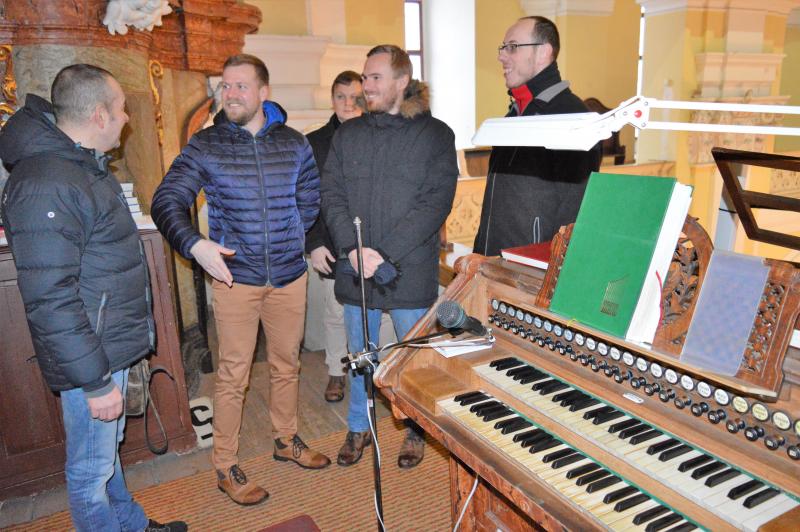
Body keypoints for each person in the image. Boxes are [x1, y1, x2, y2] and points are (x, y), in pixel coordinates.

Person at [0, 64, 186, 532]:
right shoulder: (49, 181)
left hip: (104, 348)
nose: (126, 119)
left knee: (106, 455)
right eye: (121, 109)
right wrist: (95, 381)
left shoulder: (80, 166)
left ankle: (132, 525)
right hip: (91, 356)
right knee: (89, 473)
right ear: (99, 114)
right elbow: (50, 298)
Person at [151, 53, 330, 507]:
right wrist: (195, 244)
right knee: (233, 376)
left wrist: (291, 236)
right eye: (225, 86)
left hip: (289, 277)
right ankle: (225, 465)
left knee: (287, 365)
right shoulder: (206, 145)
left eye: (240, 86)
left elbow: (309, 200)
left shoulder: (294, 143)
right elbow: (167, 199)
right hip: (236, 280)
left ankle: (286, 439)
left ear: (263, 92)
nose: (229, 94)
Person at [322, 45, 458, 468]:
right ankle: (358, 427)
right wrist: (352, 248)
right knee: (359, 356)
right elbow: (331, 194)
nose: (366, 86)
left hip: (407, 267)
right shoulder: (349, 134)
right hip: (356, 267)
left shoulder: (435, 135)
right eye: (365, 77)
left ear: (402, 81)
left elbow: (435, 204)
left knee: (411, 358)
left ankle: (415, 427)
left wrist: (382, 254)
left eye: (376, 77)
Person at [473, 15, 601, 256]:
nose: (502, 56)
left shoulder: (572, 118)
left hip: (531, 269)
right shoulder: (515, 114)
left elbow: (573, 217)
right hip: (494, 263)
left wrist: (544, 269)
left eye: (513, 47)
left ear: (543, 52)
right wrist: (480, 255)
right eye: (503, 47)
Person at [305, 70, 368, 403]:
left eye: (355, 97)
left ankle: (372, 371)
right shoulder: (314, 142)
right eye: (341, 97)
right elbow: (306, 198)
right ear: (332, 100)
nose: (348, 104)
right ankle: (336, 371)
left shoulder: (378, 135)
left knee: (376, 314)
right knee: (335, 312)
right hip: (330, 243)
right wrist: (314, 243)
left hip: (372, 241)